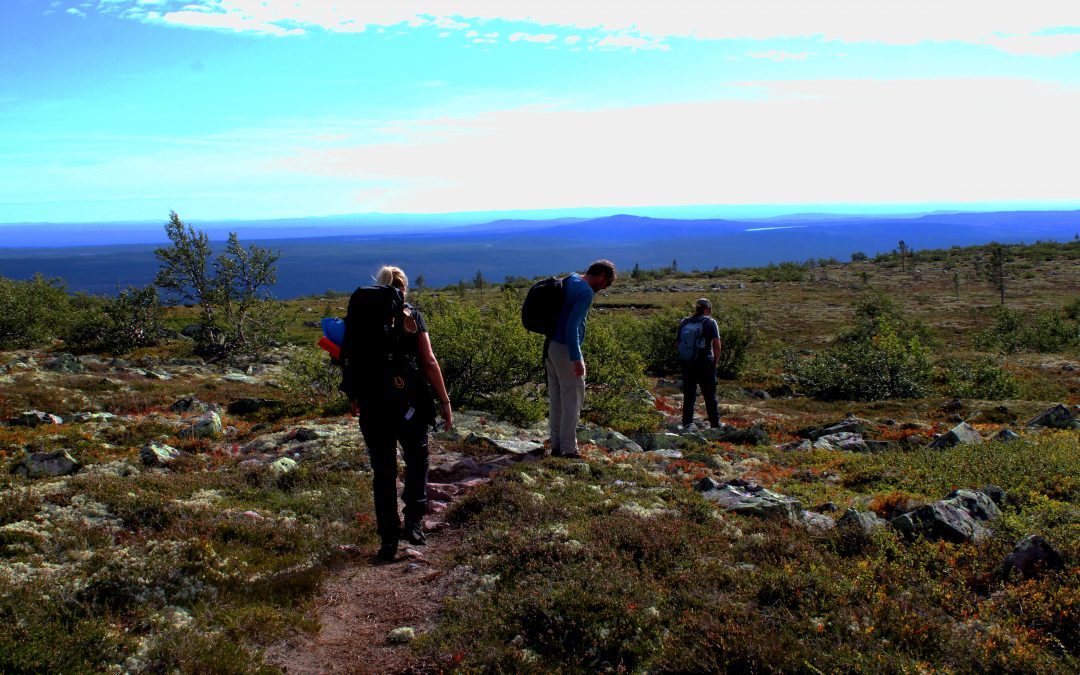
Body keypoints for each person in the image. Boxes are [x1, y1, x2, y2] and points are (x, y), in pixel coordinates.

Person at [352, 265, 453, 562]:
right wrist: (444, 401)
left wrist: (355, 394)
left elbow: (353, 358)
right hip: (409, 399)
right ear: (403, 288)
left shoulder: (362, 317)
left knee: (383, 472)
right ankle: (414, 523)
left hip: (372, 402)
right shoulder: (412, 316)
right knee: (418, 460)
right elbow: (429, 361)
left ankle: (387, 539)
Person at [545, 259, 616, 458]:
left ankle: (557, 446)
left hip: (550, 346)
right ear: (601, 275)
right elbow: (572, 327)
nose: (605, 287)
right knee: (573, 400)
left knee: (557, 400)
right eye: (607, 283)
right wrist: (577, 359)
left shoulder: (571, 278)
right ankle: (569, 449)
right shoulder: (585, 292)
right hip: (566, 349)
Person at [676, 298, 722, 429]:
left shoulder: (684, 322)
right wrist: (715, 362)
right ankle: (715, 424)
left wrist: (684, 358)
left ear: (696, 309)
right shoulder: (710, 322)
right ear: (707, 310)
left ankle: (687, 423)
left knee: (689, 395)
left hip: (687, 364)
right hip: (705, 363)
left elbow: (677, 343)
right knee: (709, 396)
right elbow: (717, 345)